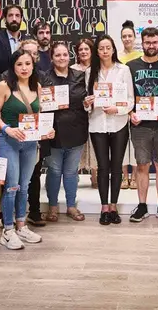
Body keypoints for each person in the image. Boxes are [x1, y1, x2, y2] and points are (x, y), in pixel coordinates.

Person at [0, 49, 54, 249]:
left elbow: (39, 115)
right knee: (11, 186)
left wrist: (47, 130)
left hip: (30, 143)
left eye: (27, 63)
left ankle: (21, 225)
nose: (24, 68)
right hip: (8, 142)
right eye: (19, 64)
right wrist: (8, 130)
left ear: (33, 65)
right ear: (13, 66)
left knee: (24, 186)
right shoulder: (4, 86)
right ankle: (7, 230)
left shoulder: (37, 86)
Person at [84, 35, 135, 225]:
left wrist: (118, 109)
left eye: (108, 48)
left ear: (113, 49)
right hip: (97, 124)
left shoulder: (124, 70)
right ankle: (104, 207)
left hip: (119, 123)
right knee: (103, 167)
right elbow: (87, 102)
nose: (105, 51)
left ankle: (114, 206)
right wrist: (88, 103)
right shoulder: (91, 72)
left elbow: (130, 99)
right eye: (101, 48)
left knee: (117, 166)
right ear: (97, 51)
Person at [127, 27, 158, 223]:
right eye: (148, 42)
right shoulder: (131, 66)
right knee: (142, 165)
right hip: (140, 124)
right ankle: (142, 206)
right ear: (142, 42)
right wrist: (130, 113)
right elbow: (126, 95)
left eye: (155, 42)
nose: (151, 46)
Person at [42, 42, 89, 222]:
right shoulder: (44, 78)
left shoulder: (80, 76)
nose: (62, 58)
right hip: (53, 133)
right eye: (58, 55)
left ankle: (71, 206)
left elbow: (86, 101)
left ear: (69, 56)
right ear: (52, 58)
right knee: (53, 171)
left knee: (70, 172)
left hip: (77, 131)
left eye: (64, 54)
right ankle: (52, 207)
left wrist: (87, 103)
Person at [17, 39, 50, 227]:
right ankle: (12, 215)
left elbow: (44, 107)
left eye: (34, 55)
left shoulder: (41, 78)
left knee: (35, 175)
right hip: (14, 136)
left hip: (35, 136)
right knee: (14, 178)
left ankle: (34, 211)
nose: (30, 58)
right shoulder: (8, 78)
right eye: (26, 54)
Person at [118, 20, 142, 189]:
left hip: (138, 104)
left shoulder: (140, 56)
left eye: (129, 36)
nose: (127, 39)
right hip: (120, 103)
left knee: (135, 143)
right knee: (121, 142)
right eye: (124, 36)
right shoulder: (117, 57)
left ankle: (135, 177)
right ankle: (123, 176)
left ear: (135, 38)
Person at [72, 39, 98, 188]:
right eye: (80, 49)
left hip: (95, 111)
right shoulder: (72, 68)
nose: (83, 52)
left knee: (95, 145)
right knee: (76, 145)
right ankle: (73, 177)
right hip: (77, 112)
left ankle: (95, 177)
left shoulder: (98, 68)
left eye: (86, 49)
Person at [0, 4, 24, 87]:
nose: (14, 19)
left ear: (21, 19)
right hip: (4, 89)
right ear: (5, 19)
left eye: (17, 16)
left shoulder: (28, 40)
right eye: (10, 15)